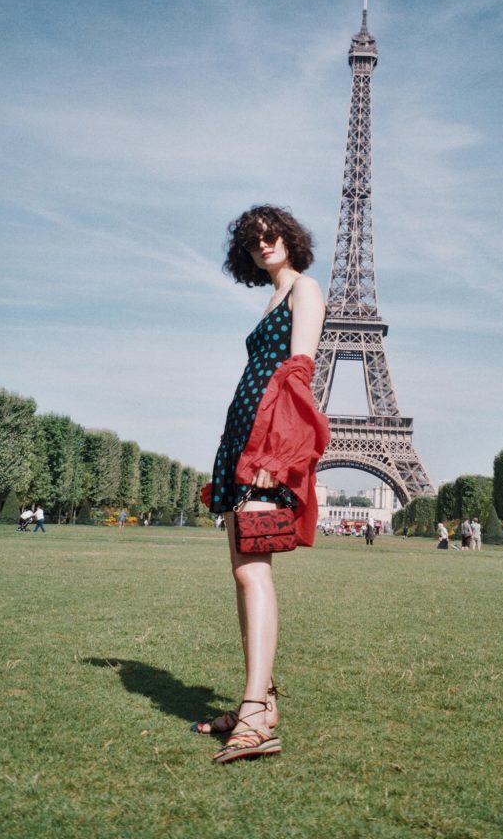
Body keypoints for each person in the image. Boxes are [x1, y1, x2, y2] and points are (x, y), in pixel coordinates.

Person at [193, 205, 328, 765]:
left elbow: (299, 372)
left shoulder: (305, 289)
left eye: (271, 235)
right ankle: (263, 701)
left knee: (254, 574)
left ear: (290, 239)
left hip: (265, 448)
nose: (263, 243)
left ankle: (253, 713)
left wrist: (276, 453)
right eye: (252, 241)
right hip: (240, 443)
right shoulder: (271, 297)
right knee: (241, 574)